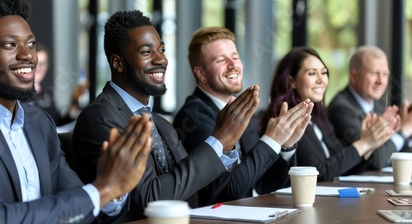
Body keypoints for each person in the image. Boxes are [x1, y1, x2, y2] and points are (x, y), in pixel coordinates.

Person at [70, 10, 311, 222]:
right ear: (118, 63)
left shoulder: (162, 124)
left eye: (161, 49)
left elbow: (202, 193)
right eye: (146, 51)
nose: (160, 59)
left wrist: (224, 147)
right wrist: (219, 141)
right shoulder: (101, 116)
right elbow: (150, 199)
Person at [0, 0, 153, 223]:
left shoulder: (39, 122)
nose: (28, 55)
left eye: (31, 44)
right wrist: (103, 189)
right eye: (10, 45)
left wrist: (114, 189)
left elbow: (77, 207)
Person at [172, 27, 313, 203]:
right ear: (201, 74)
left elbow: (266, 185)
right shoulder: (194, 116)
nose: (233, 65)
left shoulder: (240, 108)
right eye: (221, 60)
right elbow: (230, 192)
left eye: (236, 57)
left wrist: (286, 146)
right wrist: (272, 140)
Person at [259, 46, 397, 182]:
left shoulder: (318, 117)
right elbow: (321, 172)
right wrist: (365, 143)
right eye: (312, 73)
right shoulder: (288, 120)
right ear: (292, 81)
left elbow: (339, 162)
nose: (321, 80)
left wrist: (368, 144)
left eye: (324, 73)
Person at [328, 46, 412, 174]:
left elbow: (395, 152)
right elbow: (376, 159)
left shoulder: (377, 108)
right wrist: (403, 131)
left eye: (385, 74)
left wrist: (403, 127)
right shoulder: (341, 108)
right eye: (373, 73)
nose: (380, 81)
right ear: (353, 75)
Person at [32, 43, 89, 126]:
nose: (40, 68)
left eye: (44, 64)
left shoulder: (47, 94)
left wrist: (74, 100)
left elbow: (57, 121)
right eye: (37, 64)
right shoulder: (21, 96)